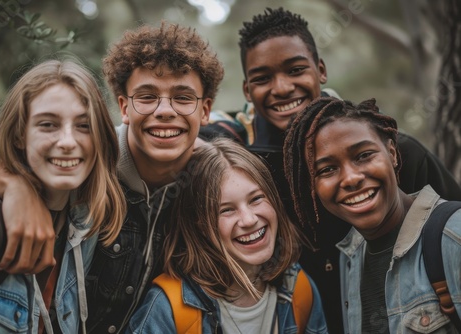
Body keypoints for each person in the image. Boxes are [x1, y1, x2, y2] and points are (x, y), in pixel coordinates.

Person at [200, 7, 461, 333]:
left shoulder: (391, 150)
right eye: (263, 78)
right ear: (247, 91)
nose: (282, 88)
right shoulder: (244, 167)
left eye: (295, 70)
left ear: (320, 70)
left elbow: (449, 225)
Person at [0, 22, 224, 333]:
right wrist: (16, 187)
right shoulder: (89, 160)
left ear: (204, 110)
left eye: (183, 98)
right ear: (124, 107)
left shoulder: (213, 177)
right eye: (147, 96)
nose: (165, 110)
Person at [0, 59, 126, 333]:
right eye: (48, 124)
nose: (67, 141)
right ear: (18, 136)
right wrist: (14, 185)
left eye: (84, 126)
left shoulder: (85, 223)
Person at [283, 96, 461, 333]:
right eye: (327, 169)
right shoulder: (351, 257)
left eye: (363, 155)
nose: (351, 178)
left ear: (392, 153)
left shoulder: (453, 237)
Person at [128, 137, 328, 333]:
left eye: (256, 199)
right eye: (226, 210)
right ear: (201, 225)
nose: (249, 220)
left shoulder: (298, 287)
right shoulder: (168, 309)